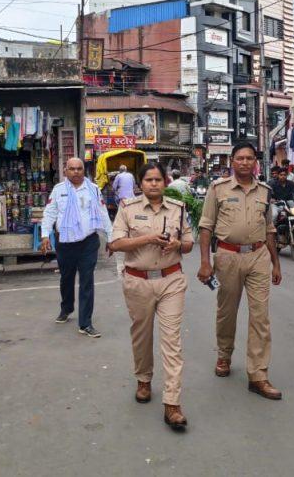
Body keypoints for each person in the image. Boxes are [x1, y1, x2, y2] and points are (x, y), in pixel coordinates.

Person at [108, 162, 193, 431]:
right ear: (140, 184)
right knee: (141, 335)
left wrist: (178, 244)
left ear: (165, 182)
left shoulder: (178, 208)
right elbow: (116, 243)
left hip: (171, 280)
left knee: (172, 341)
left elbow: (189, 244)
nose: (154, 184)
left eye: (158, 179)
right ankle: (144, 379)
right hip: (138, 282)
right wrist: (148, 239)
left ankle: (172, 403)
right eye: (148, 180)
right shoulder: (127, 208)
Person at [196, 142, 284, 400]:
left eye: (250, 158)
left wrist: (276, 263)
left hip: (258, 256)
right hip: (228, 256)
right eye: (240, 158)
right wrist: (205, 262)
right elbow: (206, 226)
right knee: (227, 312)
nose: (245, 162)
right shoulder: (218, 189)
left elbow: (269, 229)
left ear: (255, 161)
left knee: (260, 317)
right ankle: (224, 355)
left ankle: (258, 374)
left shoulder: (265, 191)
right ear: (232, 161)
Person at [40, 158, 112, 338]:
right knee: (67, 278)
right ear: (66, 171)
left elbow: (103, 213)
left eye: (79, 169)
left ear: (83, 170)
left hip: (88, 242)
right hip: (65, 242)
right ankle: (66, 307)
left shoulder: (93, 189)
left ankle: (85, 323)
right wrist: (45, 235)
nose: (76, 172)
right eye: (72, 169)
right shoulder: (58, 190)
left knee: (87, 281)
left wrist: (111, 238)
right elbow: (50, 213)